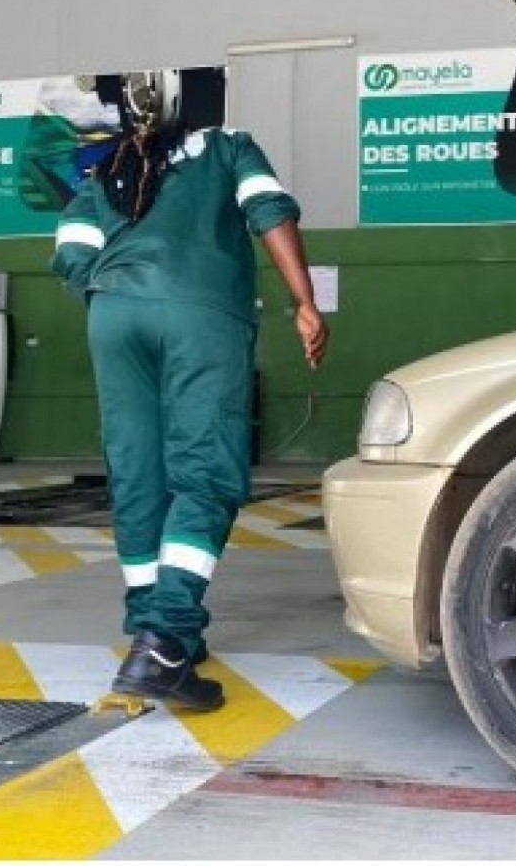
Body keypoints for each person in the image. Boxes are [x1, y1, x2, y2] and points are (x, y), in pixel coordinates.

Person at [51, 69, 328, 712]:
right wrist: (305, 302)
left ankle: (150, 625)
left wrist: (116, 293)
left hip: (112, 316)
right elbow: (270, 211)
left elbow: (71, 252)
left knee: (138, 474)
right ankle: (167, 643)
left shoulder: (110, 169)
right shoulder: (229, 145)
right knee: (204, 472)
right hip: (200, 314)